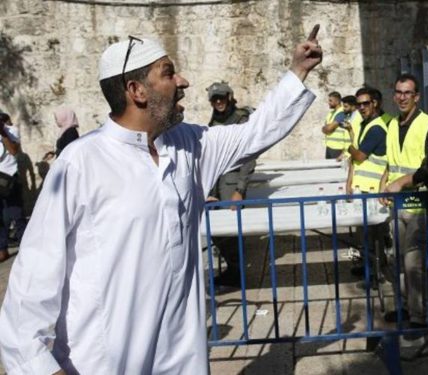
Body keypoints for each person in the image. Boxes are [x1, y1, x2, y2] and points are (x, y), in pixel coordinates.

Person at [0, 31, 321, 374]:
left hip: (182, 357)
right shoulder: (80, 163)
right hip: (102, 361)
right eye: (168, 73)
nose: (183, 81)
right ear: (136, 91)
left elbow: (256, 131)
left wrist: (297, 70)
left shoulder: (189, 145)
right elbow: (32, 281)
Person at [380, 73, 428, 331]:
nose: (402, 97)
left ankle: (419, 315)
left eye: (408, 93)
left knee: (413, 263)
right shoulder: (392, 125)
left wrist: (403, 182)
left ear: (416, 96)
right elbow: (389, 162)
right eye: (398, 92)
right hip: (396, 203)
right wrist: (384, 185)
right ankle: (403, 307)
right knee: (395, 259)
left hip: (418, 203)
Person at [204, 81, 257, 287]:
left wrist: (239, 190)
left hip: (231, 184)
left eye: (222, 97)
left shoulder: (240, 119)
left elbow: (249, 156)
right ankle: (232, 269)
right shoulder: (215, 120)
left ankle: (237, 273)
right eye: (214, 99)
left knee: (230, 231)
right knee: (218, 231)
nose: (218, 102)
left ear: (229, 97)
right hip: (216, 183)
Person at [344, 87, 388, 283]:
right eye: (358, 104)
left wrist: (350, 147)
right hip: (363, 188)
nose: (361, 107)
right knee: (367, 235)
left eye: (365, 103)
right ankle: (370, 268)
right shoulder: (365, 125)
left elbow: (360, 155)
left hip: (372, 190)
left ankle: (375, 273)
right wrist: (350, 182)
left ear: (375, 103)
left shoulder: (377, 127)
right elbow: (357, 160)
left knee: (373, 235)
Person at [0, 112, 20, 264]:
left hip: (8, 177)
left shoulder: (11, 131)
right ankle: (2, 250)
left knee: (16, 213)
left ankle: (27, 244)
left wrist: (3, 133)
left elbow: (13, 151)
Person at [321, 91, 348, 159]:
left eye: (330, 101)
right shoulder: (331, 113)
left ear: (337, 101)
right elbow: (326, 128)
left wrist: (326, 128)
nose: (328, 102)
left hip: (338, 148)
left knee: (336, 169)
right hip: (330, 146)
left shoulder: (341, 113)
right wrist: (326, 128)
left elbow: (328, 129)